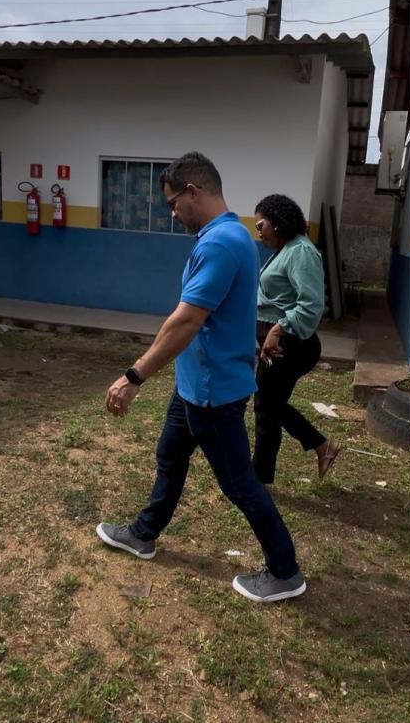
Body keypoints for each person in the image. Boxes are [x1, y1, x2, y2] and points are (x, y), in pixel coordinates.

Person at [94, 152, 307, 603]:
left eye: (173, 203)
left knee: (238, 483)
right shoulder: (234, 236)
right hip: (193, 384)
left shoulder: (220, 243)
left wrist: (134, 375)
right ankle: (143, 533)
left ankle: (284, 571)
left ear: (194, 192)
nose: (172, 214)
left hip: (212, 393)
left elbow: (187, 320)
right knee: (169, 456)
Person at [251, 193, 340, 483]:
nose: (258, 231)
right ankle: (320, 446)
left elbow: (311, 305)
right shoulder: (286, 248)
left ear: (276, 222)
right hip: (278, 343)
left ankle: (260, 478)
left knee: (266, 407)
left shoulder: (301, 251)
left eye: (261, 224)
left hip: (289, 344)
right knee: (271, 405)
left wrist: (277, 330)